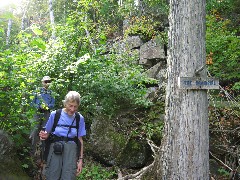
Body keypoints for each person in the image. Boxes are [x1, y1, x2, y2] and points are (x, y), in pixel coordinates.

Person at [39, 91, 86, 180]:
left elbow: (80, 140)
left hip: (71, 150)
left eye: (75, 106)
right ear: (65, 103)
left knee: (69, 176)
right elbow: (47, 134)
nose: (72, 109)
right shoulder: (55, 114)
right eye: (70, 105)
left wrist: (80, 160)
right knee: (52, 175)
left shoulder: (79, 118)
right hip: (55, 148)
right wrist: (44, 135)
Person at [29, 76, 55, 154]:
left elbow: (52, 104)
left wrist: (47, 106)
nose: (47, 83)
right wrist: (39, 106)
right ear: (42, 82)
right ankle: (31, 151)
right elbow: (32, 103)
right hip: (37, 112)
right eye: (45, 81)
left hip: (46, 113)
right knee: (34, 130)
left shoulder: (51, 93)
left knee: (45, 131)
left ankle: (43, 152)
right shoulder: (37, 91)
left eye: (48, 81)